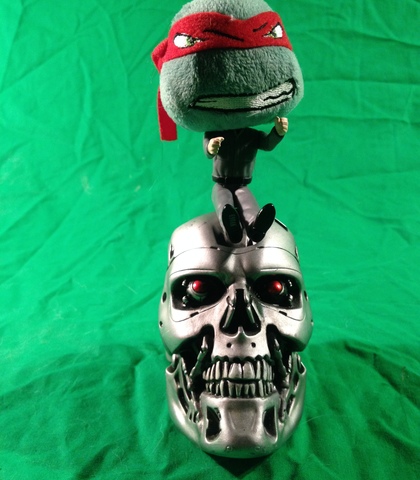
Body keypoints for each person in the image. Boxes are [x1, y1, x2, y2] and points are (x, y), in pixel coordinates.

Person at [204, 117, 288, 243]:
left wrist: (277, 133)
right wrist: (210, 147)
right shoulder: (215, 133)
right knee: (223, 203)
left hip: (242, 184)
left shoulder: (253, 135)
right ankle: (232, 230)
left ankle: (256, 227)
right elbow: (207, 146)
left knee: (248, 205)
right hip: (221, 184)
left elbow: (268, 143)